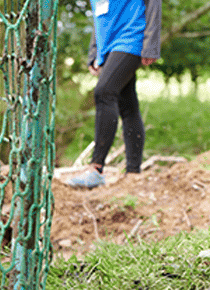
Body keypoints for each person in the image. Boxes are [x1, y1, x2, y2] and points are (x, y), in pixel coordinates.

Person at [67, 0, 161, 188]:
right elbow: (99, 14)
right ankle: (133, 173)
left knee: (104, 92)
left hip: (132, 36)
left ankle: (96, 169)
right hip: (109, 44)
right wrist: (94, 51)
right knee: (128, 105)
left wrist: (151, 43)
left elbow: (153, 2)